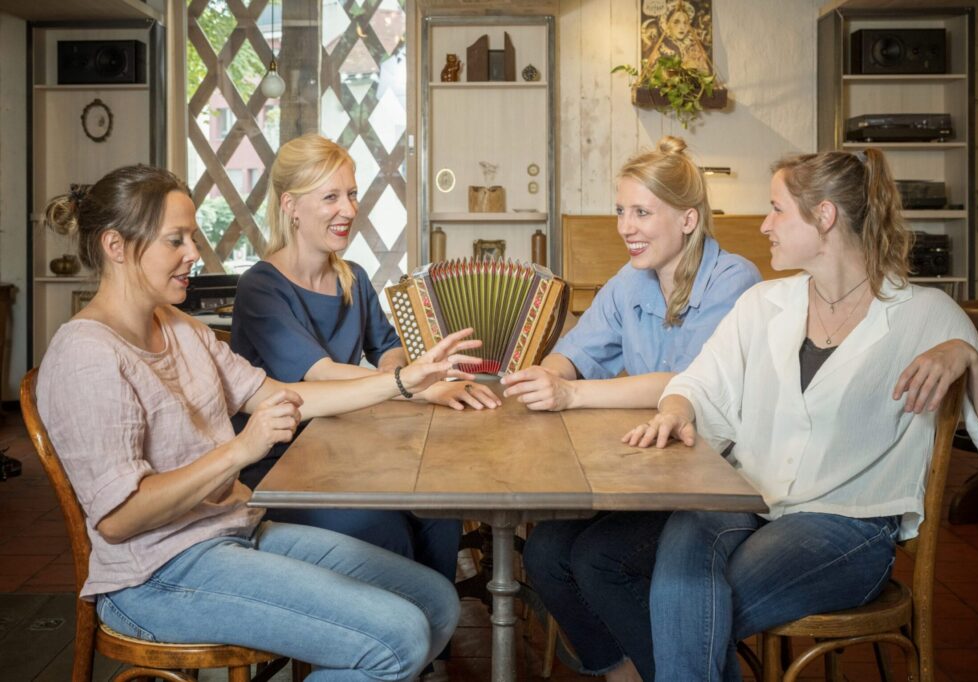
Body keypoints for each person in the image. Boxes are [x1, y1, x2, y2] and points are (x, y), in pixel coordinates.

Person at [37, 164, 484, 680]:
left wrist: (407, 380)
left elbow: (284, 395)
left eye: (194, 238)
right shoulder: (86, 355)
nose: (194, 254)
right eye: (175, 240)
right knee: (399, 637)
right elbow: (119, 518)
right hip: (155, 575)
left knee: (436, 603)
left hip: (231, 533)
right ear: (116, 246)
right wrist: (240, 451)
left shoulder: (180, 328)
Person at [623, 149, 978, 681]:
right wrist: (676, 407)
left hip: (848, 527)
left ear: (825, 216)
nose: (764, 225)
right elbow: (700, 382)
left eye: (776, 209)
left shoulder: (925, 314)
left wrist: (969, 358)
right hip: (746, 502)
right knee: (683, 569)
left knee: (689, 603)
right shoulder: (764, 304)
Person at [503, 136, 760, 682]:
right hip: (652, 473)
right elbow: (578, 351)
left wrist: (571, 395)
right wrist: (546, 375)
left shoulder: (735, 282)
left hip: (718, 480)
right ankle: (624, 672)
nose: (626, 227)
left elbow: (688, 382)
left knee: (600, 560)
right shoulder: (630, 281)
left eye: (642, 212)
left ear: (688, 219)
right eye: (621, 211)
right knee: (546, 553)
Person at [230, 133, 499, 593]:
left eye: (351, 194)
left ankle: (426, 641)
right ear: (291, 205)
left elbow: (389, 347)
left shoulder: (351, 278)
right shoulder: (261, 287)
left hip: (351, 451)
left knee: (439, 511)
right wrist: (415, 384)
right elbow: (320, 373)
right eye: (331, 197)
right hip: (282, 467)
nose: (349, 210)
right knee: (386, 531)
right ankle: (391, 638)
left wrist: (399, 370)